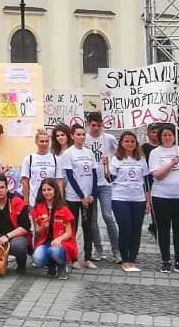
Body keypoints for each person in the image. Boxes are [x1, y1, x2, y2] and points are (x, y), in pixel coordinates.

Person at [147, 125, 179, 274]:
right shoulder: (155, 153)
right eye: (164, 135)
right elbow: (157, 175)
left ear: (174, 137)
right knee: (164, 229)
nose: (167, 138)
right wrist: (171, 164)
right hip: (161, 196)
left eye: (170, 135)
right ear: (160, 137)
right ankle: (165, 260)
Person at [103, 131, 148, 273]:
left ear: (136, 143)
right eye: (126, 141)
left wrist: (148, 200)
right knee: (126, 227)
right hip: (120, 198)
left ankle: (132, 259)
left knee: (136, 230)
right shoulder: (116, 158)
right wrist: (106, 166)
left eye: (132, 141)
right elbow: (110, 179)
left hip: (138, 199)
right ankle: (125, 260)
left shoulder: (141, 158)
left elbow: (147, 181)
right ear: (121, 143)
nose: (130, 144)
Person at [61, 124, 100, 269]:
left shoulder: (89, 153)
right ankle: (73, 258)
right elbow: (70, 177)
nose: (81, 137)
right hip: (73, 197)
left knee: (88, 227)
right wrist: (81, 195)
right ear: (72, 136)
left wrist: (92, 194)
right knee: (72, 228)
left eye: (83, 134)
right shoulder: (68, 154)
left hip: (88, 198)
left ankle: (88, 258)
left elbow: (95, 174)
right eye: (78, 134)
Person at [82, 113, 119, 261]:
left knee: (108, 216)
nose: (96, 128)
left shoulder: (109, 138)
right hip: (89, 185)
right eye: (93, 125)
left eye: (99, 125)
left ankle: (116, 249)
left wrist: (109, 163)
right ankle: (98, 249)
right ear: (88, 124)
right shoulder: (83, 138)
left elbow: (119, 156)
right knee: (92, 220)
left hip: (105, 184)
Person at [28, 178, 77, 279]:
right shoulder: (38, 207)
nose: (46, 192)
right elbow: (37, 231)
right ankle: (51, 265)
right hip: (45, 242)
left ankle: (62, 266)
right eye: (44, 190)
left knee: (54, 251)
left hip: (61, 243)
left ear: (55, 190)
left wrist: (59, 239)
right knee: (37, 258)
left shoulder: (63, 208)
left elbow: (69, 233)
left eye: (49, 189)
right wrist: (42, 226)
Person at [20, 128, 61, 209]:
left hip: (52, 202)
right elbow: (25, 182)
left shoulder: (55, 159)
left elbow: (59, 181)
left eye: (46, 141)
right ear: (36, 142)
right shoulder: (29, 159)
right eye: (41, 141)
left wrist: (61, 201)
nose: (44, 144)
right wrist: (26, 202)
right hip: (34, 202)